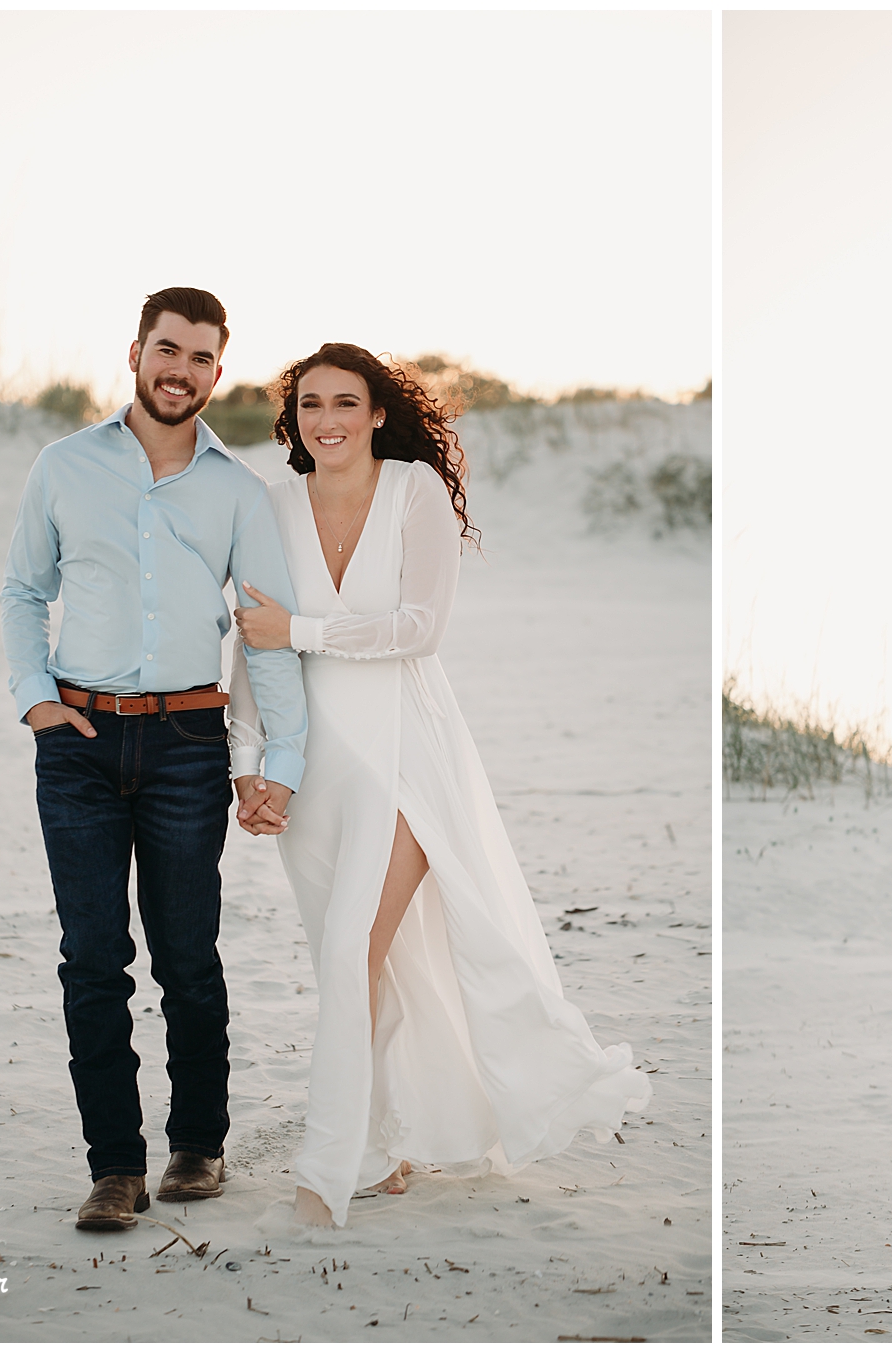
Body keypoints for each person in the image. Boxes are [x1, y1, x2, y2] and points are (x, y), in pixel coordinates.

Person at [226, 342, 650, 1228]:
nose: (328, 421)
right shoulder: (271, 506)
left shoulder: (414, 490)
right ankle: (385, 1145)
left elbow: (419, 629)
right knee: (356, 965)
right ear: (292, 418)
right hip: (311, 769)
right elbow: (250, 648)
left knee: (351, 950)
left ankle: (324, 1171)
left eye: (347, 403)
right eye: (310, 405)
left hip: (407, 752)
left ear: (379, 412)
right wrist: (248, 764)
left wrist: (298, 625)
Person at [0, 287, 309, 1231]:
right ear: (136, 351)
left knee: (187, 956)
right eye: (168, 350)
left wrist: (279, 760)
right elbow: (22, 590)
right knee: (92, 958)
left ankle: (199, 1147)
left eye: (202, 358)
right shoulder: (62, 465)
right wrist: (37, 700)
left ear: (220, 371)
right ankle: (114, 1167)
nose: (182, 370)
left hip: (185, 746)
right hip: (79, 745)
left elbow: (265, 636)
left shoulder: (237, 491)